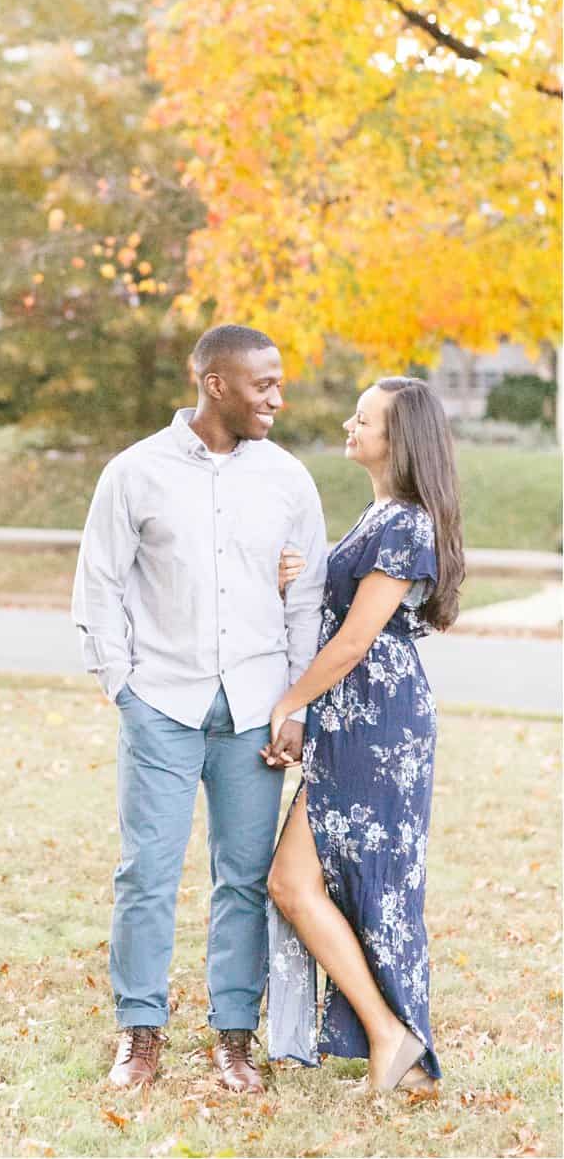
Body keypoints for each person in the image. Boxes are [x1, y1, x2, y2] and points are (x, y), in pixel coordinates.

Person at [71, 324, 328, 1092]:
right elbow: (99, 584)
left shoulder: (288, 479)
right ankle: (139, 1033)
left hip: (255, 709)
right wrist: (123, 685)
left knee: (244, 878)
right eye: (263, 385)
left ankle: (233, 1039)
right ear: (215, 383)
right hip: (163, 703)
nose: (277, 398)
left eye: (279, 383)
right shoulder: (134, 473)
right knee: (146, 872)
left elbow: (306, 598)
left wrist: (295, 704)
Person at [265, 376, 464, 1093]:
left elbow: (354, 640)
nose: (351, 424)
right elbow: (338, 598)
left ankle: (393, 1037)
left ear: (399, 439)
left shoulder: (408, 522)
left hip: (379, 721)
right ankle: (391, 1039)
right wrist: (306, 572)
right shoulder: (380, 512)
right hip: (353, 715)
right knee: (298, 880)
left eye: (365, 418)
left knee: (321, 881)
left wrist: (287, 704)